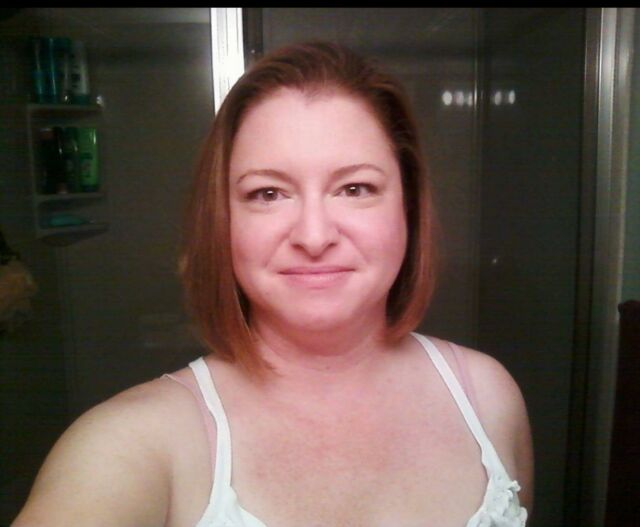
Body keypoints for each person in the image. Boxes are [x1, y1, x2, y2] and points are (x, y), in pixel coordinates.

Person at [13, 41, 533, 527]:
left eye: (355, 188)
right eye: (267, 194)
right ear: (223, 219)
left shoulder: (490, 398)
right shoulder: (128, 445)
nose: (314, 236)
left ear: (409, 207)